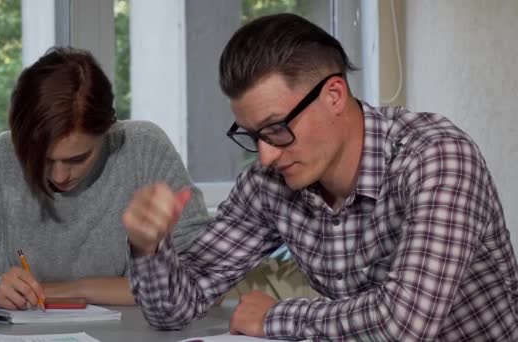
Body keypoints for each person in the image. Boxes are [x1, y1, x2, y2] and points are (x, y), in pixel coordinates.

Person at [123, 13, 518, 341]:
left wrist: (277, 317)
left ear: (333, 96)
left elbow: (404, 325)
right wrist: (149, 248)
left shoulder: (436, 158)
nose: (266, 154)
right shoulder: (268, 185)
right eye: (253, 134)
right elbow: (174, 311)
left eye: (277, 127)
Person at [0, 47, 211, 310]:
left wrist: (71, 290)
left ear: (108, 130)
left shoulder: (144, 149)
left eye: (77, 159)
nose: (58, 176)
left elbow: (206, 281)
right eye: (42, 159)